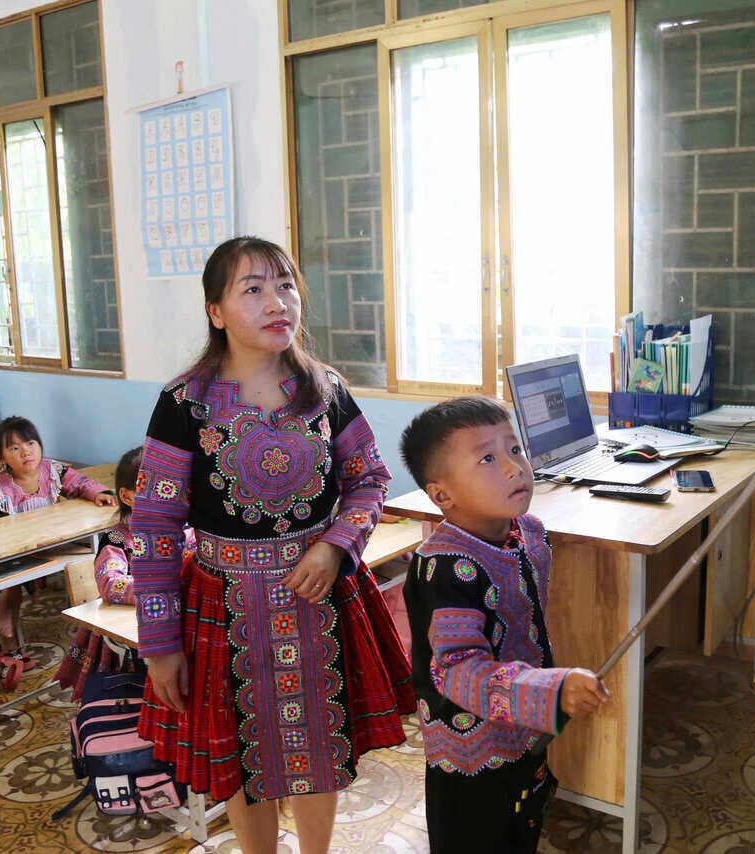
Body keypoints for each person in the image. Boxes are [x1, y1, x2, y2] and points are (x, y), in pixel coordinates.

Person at [133, 236, 413, 854]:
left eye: (285, 285)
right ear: (216, 312)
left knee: (319, 742)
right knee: (241, 754)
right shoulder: (184, 404)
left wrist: (336, 545)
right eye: (252, 289)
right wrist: (159, 644)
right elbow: (153, 529)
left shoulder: (325, 390)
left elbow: (369, 479)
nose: (276, 301)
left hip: (318, 597)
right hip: (222, 604)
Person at [399, 396, 610, 854]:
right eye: (488, 459)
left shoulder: (525, 531)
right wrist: (549, 690)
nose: (515, 468)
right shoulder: (449, 567)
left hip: (522, 731)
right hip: (471, 751)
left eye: (515, 449)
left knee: (524, 824)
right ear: (442, 496)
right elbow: (456, 671)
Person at [0, 416, 116, 671]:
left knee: (94, 553)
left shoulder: (53, 471)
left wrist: (99, 493)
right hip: (13, 554)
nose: (25, 451)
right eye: (14, 448)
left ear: (39, 445)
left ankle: (100, 634)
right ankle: (10, 644)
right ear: (3, 458)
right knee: (13, 579)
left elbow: (81, 484)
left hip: (49, 545)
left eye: (30, 443)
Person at [54, 446, 153, 700]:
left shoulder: (183, 532)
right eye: (153, 489)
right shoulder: (117, 539)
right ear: (127, 496)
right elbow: (111, 584)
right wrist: (159, 589)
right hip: (124, 643)